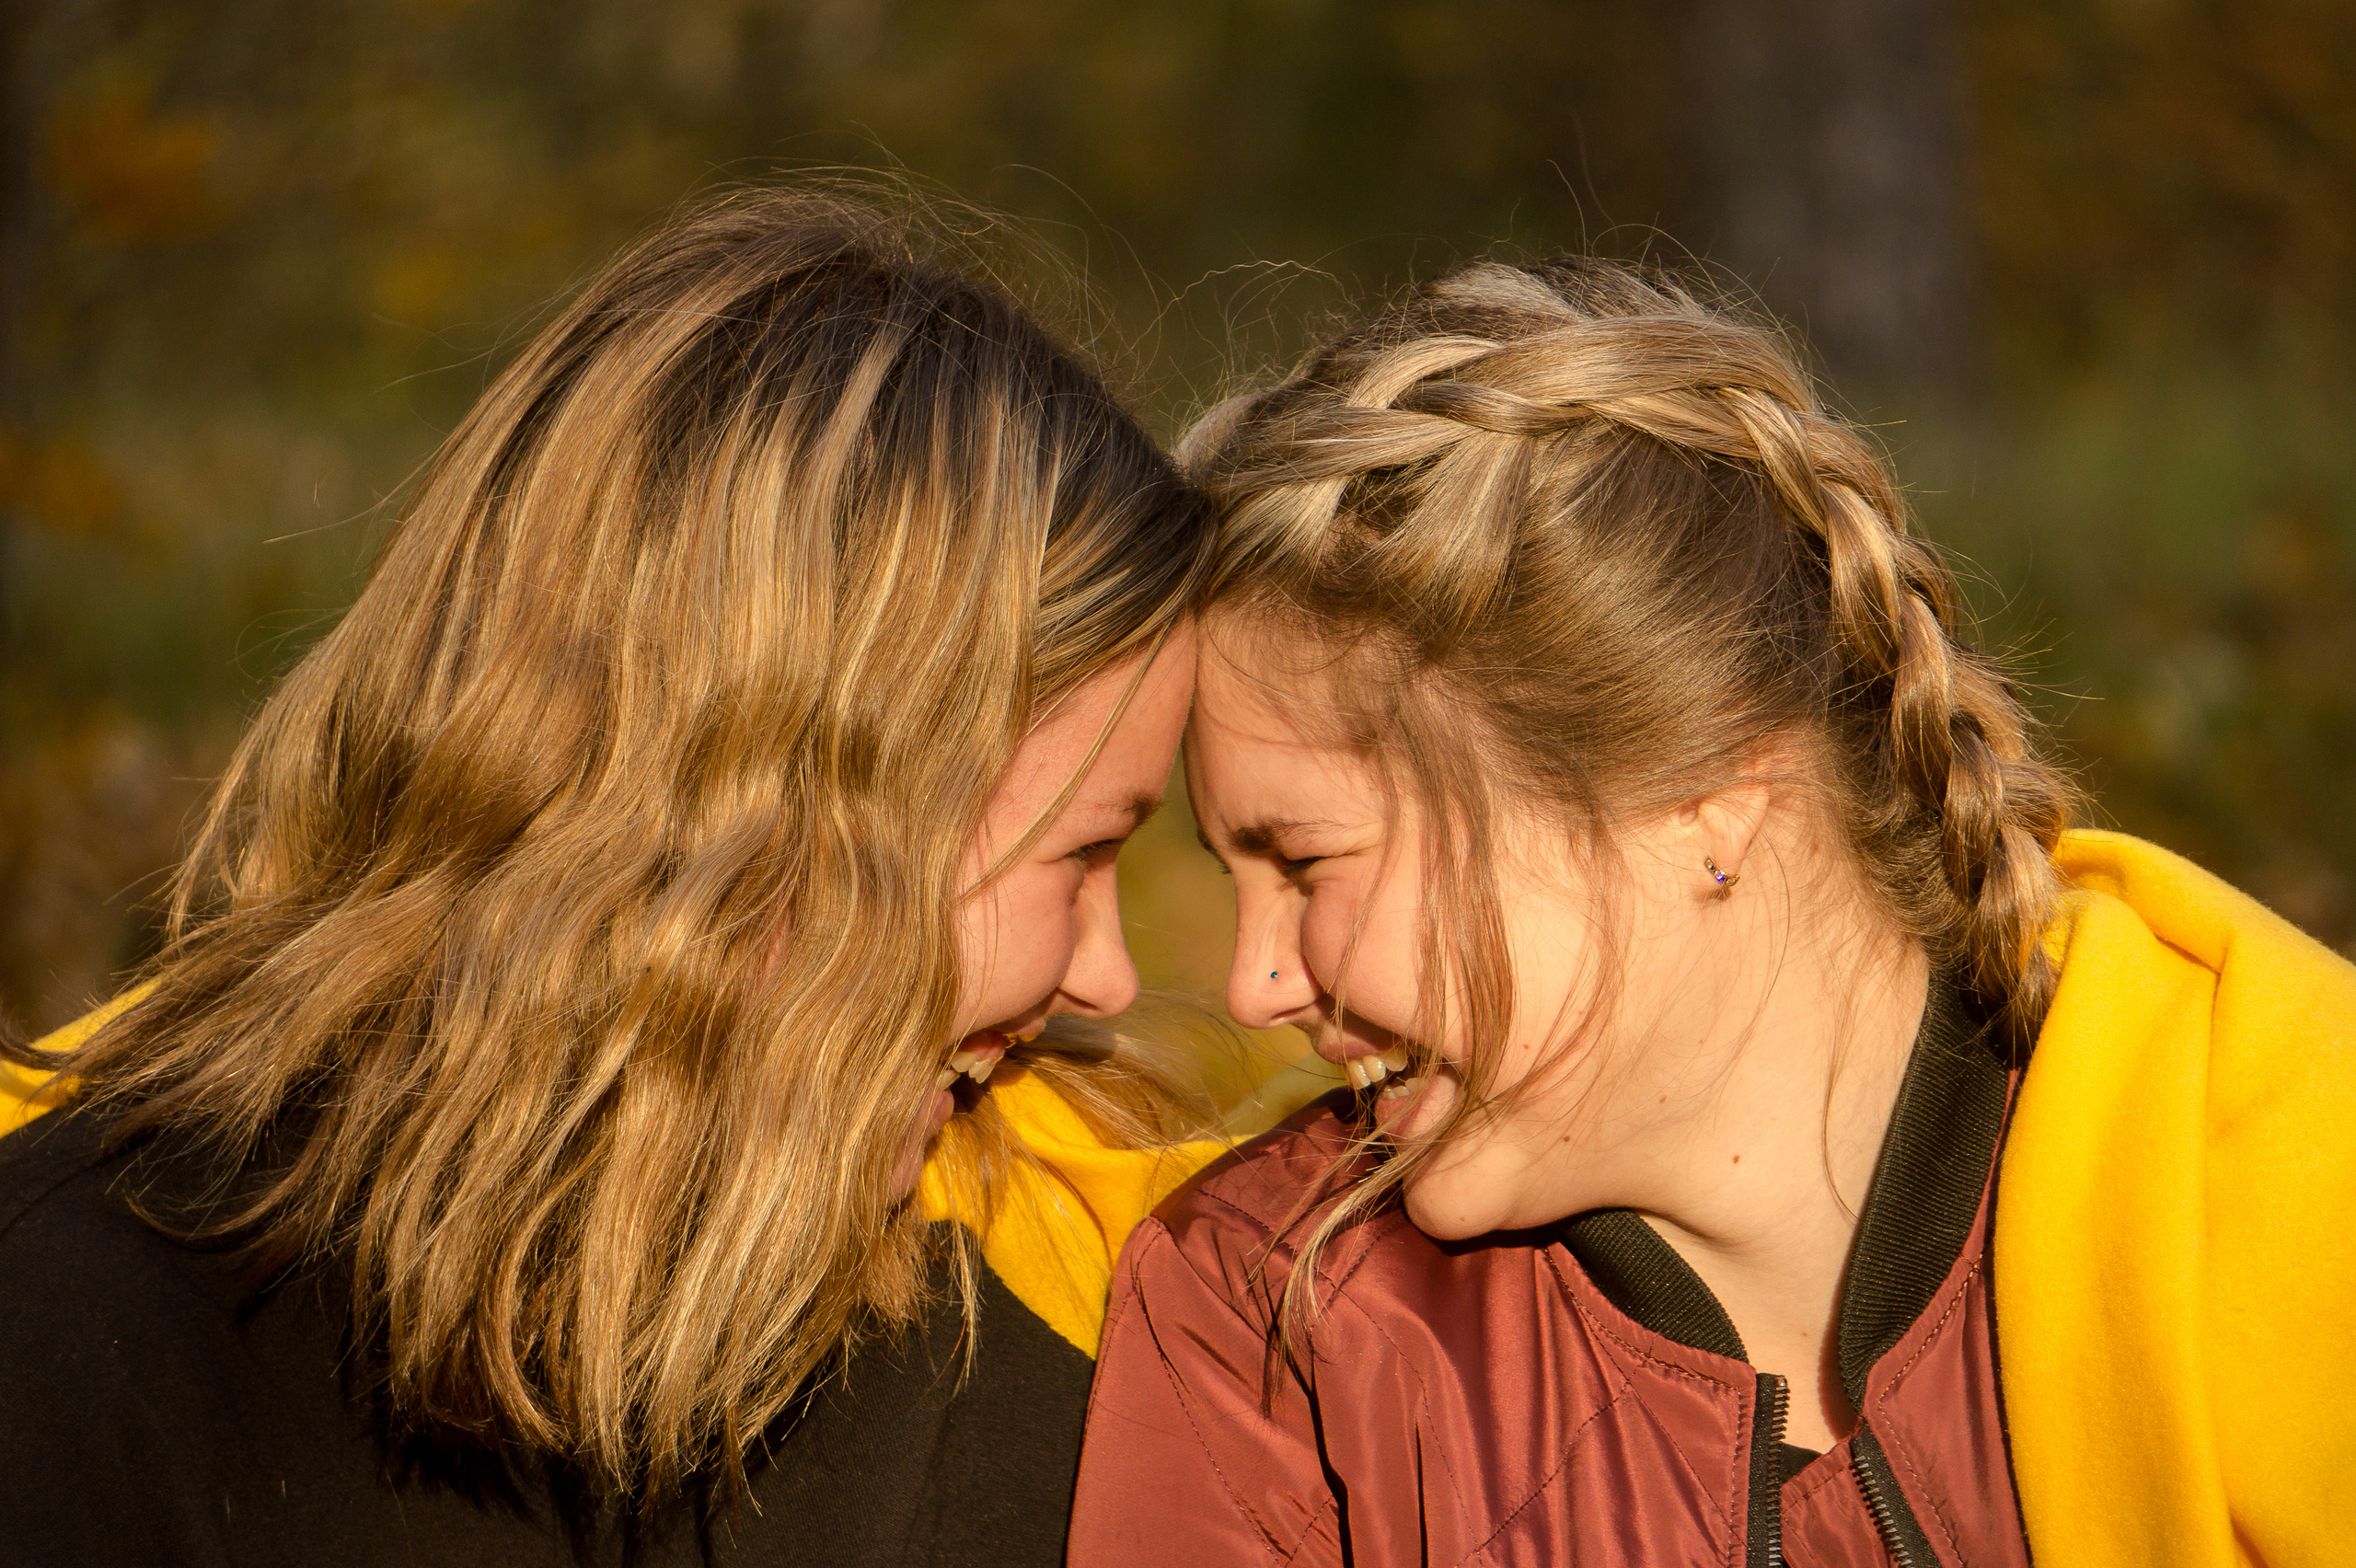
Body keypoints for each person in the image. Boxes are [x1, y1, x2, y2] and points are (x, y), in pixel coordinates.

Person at [0, 187, 1226, 1566]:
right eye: (1084, 849)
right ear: (791, 818)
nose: (1107, 977)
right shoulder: (73, 1334)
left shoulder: (1095, 1335)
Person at [1069, 256, 2356, 1566]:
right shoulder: (1273, 1328)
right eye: (1233, 877)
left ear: (1702, 794)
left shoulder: (2279, 1177)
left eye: (1307, 863)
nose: (1255, 986)